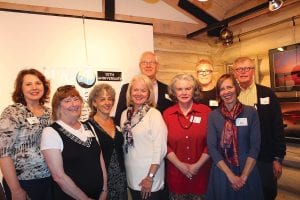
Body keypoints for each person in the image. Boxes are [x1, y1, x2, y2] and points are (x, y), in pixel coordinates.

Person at [40, 85, 107, 200]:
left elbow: (100, 158)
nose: (74, 104)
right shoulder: (50, 132)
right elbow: (58, 176)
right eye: (67, 101)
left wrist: (104, 189)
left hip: (98, 195)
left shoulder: (88, 127)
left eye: (76, 99)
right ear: (58, 107)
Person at [232, 56, 286, 200]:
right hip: (239, 158)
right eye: (239, 69)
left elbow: (277, 127)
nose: (243, 72)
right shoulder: (230, 95)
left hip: (264, 157)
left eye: (247, 68)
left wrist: (278, 158)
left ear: (253, 71)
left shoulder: (267, 94)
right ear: (234, 73)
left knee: (266, 193)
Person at [206, 74, 263, 200]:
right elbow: (212, 148)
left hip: (247, 169)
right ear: (219, 93)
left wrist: (243, 177)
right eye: (222, 89)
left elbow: (255, 146)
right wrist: (230, 175)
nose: (226, 92)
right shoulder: (213, 116)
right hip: (222, 172)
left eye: (229, 87)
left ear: (236, 88)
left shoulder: (251, 112)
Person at [0, 68, 52, 200]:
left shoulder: (51, 113)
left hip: (51, 179)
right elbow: (3, 152)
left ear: (44, 87)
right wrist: (16, 190)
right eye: (28, 84)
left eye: (38, 83)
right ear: (21, 88)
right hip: (23, 182)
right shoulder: (12, 112)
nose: (34, 87)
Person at [163, 73, 211, 200]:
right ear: (174, 92)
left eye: (188, 88)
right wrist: (180, 165)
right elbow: (164, 144)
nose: (184, 92)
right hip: (176, 178)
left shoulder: (206, 112)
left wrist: (197, 165)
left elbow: (212, 142)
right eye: (179, 89)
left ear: (194, 90)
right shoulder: (167, 114)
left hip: (201, 176)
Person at [120, 74, 167, 200]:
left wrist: (149, 177)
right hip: (132, 176)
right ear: (130, 92)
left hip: (149, 178)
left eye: (143, 90)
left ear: (149, 93)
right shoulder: (125, 114)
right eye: (135, 90)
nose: (139, 93)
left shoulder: (154, 115)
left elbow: (160, 149)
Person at [87, 83, 127, 200]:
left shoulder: (117, 122)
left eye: (110, 99)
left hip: (121, 177)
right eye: (102, 99)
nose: (107, 102)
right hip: (101, 180)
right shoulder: (88, 126)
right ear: (94, 103)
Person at [115, 51, 173, 125]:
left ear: (157, 66)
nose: (148, 65)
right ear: (140, 66)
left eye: (152, 62)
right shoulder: (127, 88)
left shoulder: (167, 89)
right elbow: (119, 117)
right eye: (144, 62)